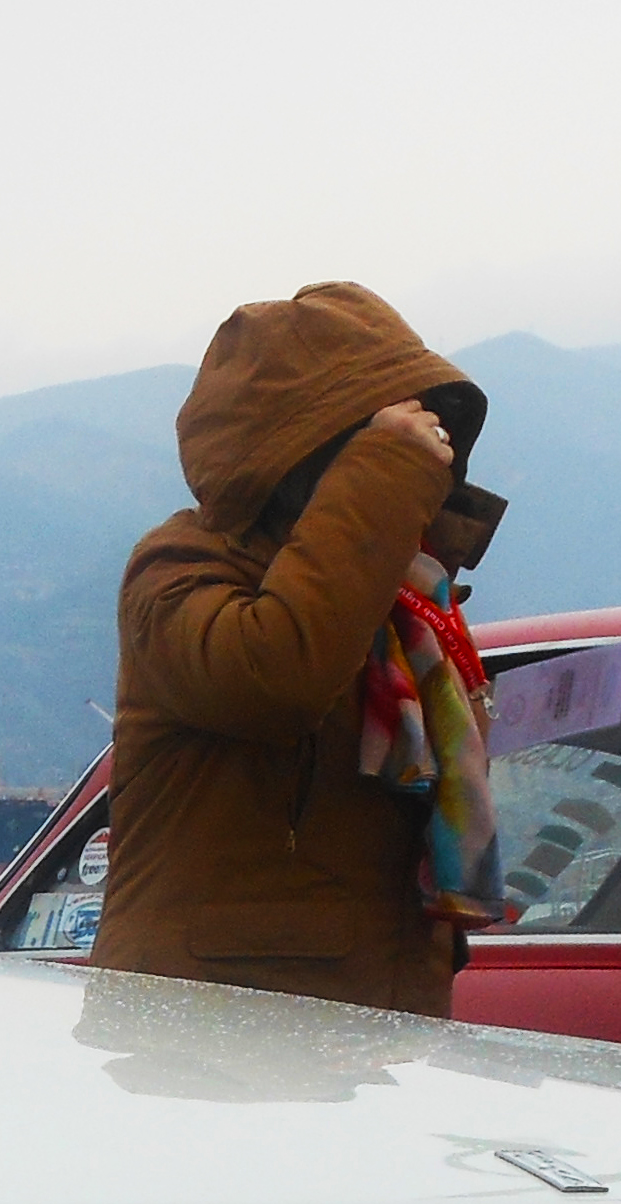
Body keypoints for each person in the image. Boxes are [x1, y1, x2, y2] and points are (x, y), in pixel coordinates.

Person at [90, 283, 511, 1015]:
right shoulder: (177, 570)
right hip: (205, 1045)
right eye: (384, 433)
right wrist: (381, 477)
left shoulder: (403, 602)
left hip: (366, 1033)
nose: (425, 450)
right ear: (304, 449)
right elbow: (272, 678)